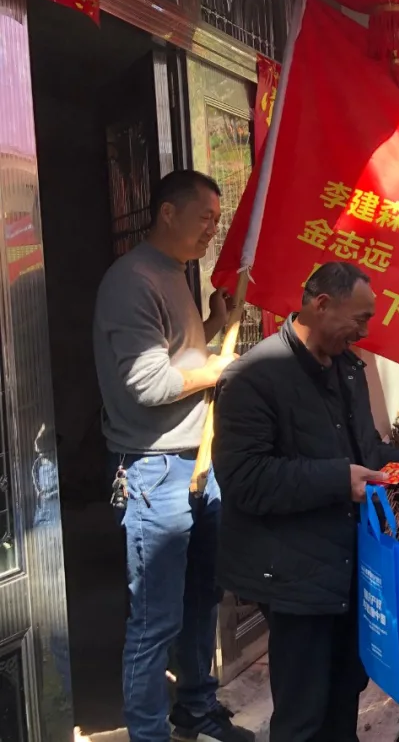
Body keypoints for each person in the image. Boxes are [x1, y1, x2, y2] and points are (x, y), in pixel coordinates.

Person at [211, 262, 399, 742]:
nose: (364, 331)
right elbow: (244, 479)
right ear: (321, 304)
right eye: (359, 319)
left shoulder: (346, 368)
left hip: (349, 565)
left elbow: (366, 456)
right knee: (303, 711)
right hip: (292, 574)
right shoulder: (253, 377)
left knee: (346, 690)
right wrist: (336, 481)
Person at [92, 170, 252, 742]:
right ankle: (148, 733)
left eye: (217, 219)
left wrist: (213, 326)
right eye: (205, 217)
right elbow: (149, 384)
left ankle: (196, 709)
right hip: (153, 469)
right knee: (155, 619)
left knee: (201, 599)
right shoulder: (132, 281)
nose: (212, 229)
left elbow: (175, 359)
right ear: (167, 212)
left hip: (197, 463)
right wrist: (222, 369)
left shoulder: (175, 273)